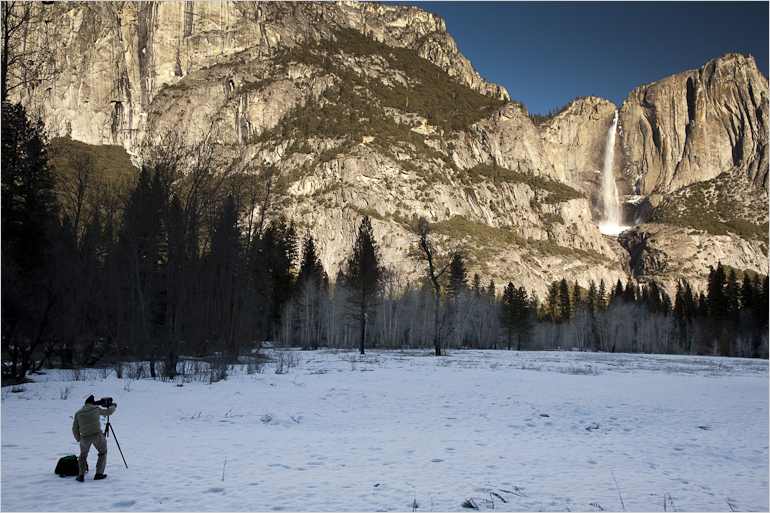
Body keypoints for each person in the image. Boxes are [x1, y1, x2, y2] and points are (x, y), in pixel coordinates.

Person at [72, 395, 117, 481]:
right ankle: (99, 473)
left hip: (84, 436)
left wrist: (79, 439)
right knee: (102, 452)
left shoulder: (78, 413)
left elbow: (74, 428)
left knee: (83, 455)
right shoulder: (96, 409)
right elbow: (107, 412)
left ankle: (81, 475)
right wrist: (113, 406)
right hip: (97, 434)